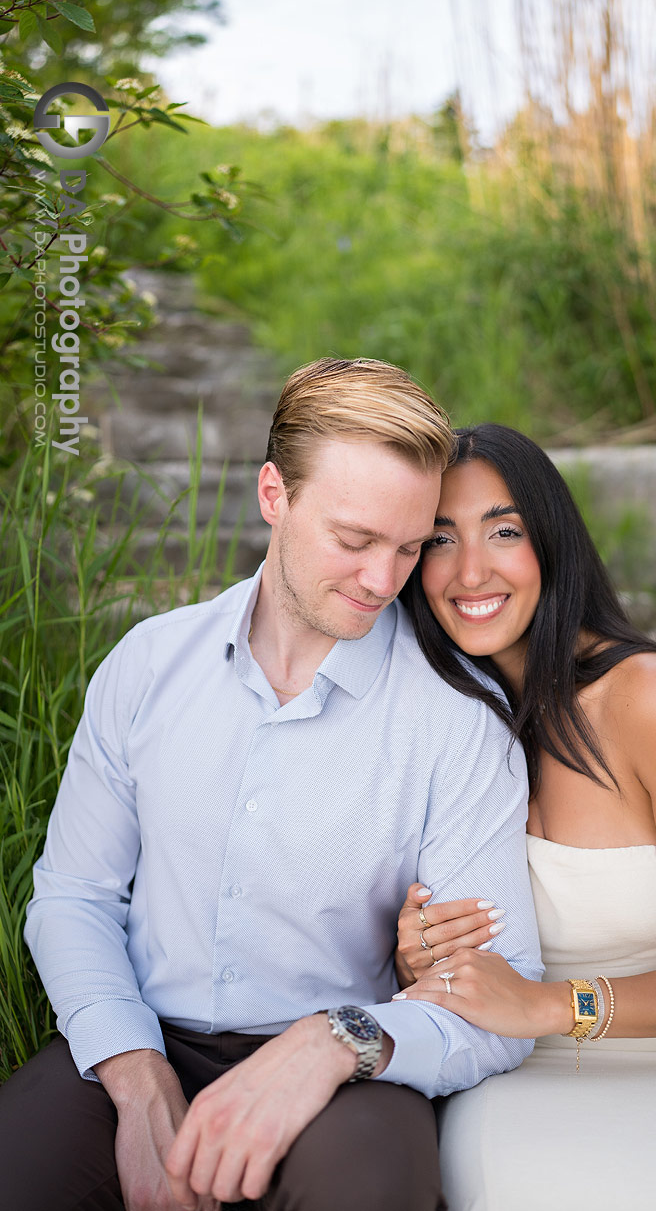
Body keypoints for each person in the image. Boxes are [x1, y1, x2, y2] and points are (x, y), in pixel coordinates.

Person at [0, 365, 545, 1211]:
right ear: (273, 495)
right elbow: (74, 895)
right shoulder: (147, 665)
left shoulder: (459, 720)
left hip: (351, 1070)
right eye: (355, 540)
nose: (382, 581)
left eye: (409, 548)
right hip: (145, 1040)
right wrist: (138, 1079)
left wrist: (341, 1041)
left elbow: (501, 990)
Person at [392, 423, 656, 1211]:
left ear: (552, 541)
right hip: (508, 1072)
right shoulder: (430, 723)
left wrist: (550, 1005)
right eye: (439, 540)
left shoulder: (647, 698)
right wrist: (420, 958)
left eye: (503, 531)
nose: (469, 570)